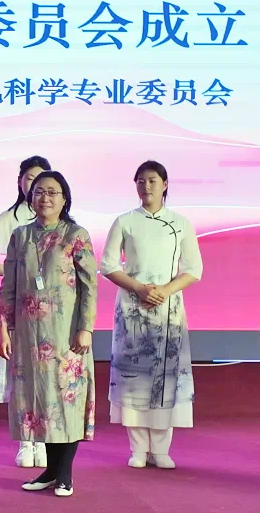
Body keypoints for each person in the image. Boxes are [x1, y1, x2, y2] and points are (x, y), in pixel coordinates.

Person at [0, 170, 97, 498]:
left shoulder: (76, 235)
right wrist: (4, 327)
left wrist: (85, 328)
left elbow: (90, 286)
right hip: (29, 336)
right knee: (42, 403)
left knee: (67, 400)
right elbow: (8, 285)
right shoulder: (20, 236)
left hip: (67, 335)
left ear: (64, 198)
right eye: (39, 192)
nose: (45, 198)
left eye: (53, 192)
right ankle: (51, 471)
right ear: (30, 198)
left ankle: (64, 474)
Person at [100, 160, 203, 470]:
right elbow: (107, 265)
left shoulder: (180, 223)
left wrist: (165, 290)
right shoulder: (125, 221)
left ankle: (160, 449)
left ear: (165, 184)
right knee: (133, 376)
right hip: (132, 308)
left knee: (164, 377)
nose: (146, 186)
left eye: (152, 180)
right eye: (141, 181)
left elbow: (193, 269)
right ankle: (137, 448)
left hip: (167, 309)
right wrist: (139, 288)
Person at [0, 155, 51, 469]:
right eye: (29, 178)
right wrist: (17, 274)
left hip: (50, 309)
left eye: (41, 179)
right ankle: (25, 442)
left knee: (46, 374)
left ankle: (44, 441)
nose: (35, 185)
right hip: (18, 303)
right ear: (20, 182)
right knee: (21, 374)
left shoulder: (60, 221)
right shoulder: (9, 218)